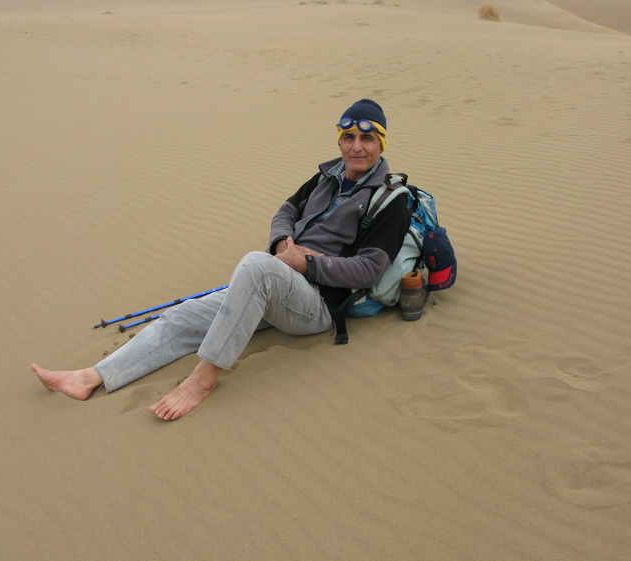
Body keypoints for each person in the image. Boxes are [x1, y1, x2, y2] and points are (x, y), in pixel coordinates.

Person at [32, 99, 410, 421]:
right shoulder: (327, 176)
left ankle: (204, 376)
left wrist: (304, 265)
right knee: (183, 315)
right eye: (348, 137)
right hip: (276, 281)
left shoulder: (391, 200)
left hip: (319, 305)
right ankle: (90, 377)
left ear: (381, 144)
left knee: (254, 265)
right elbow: (285, 211)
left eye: (367, 138)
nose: (356, 147)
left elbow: (369, 268)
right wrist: (283, 244)